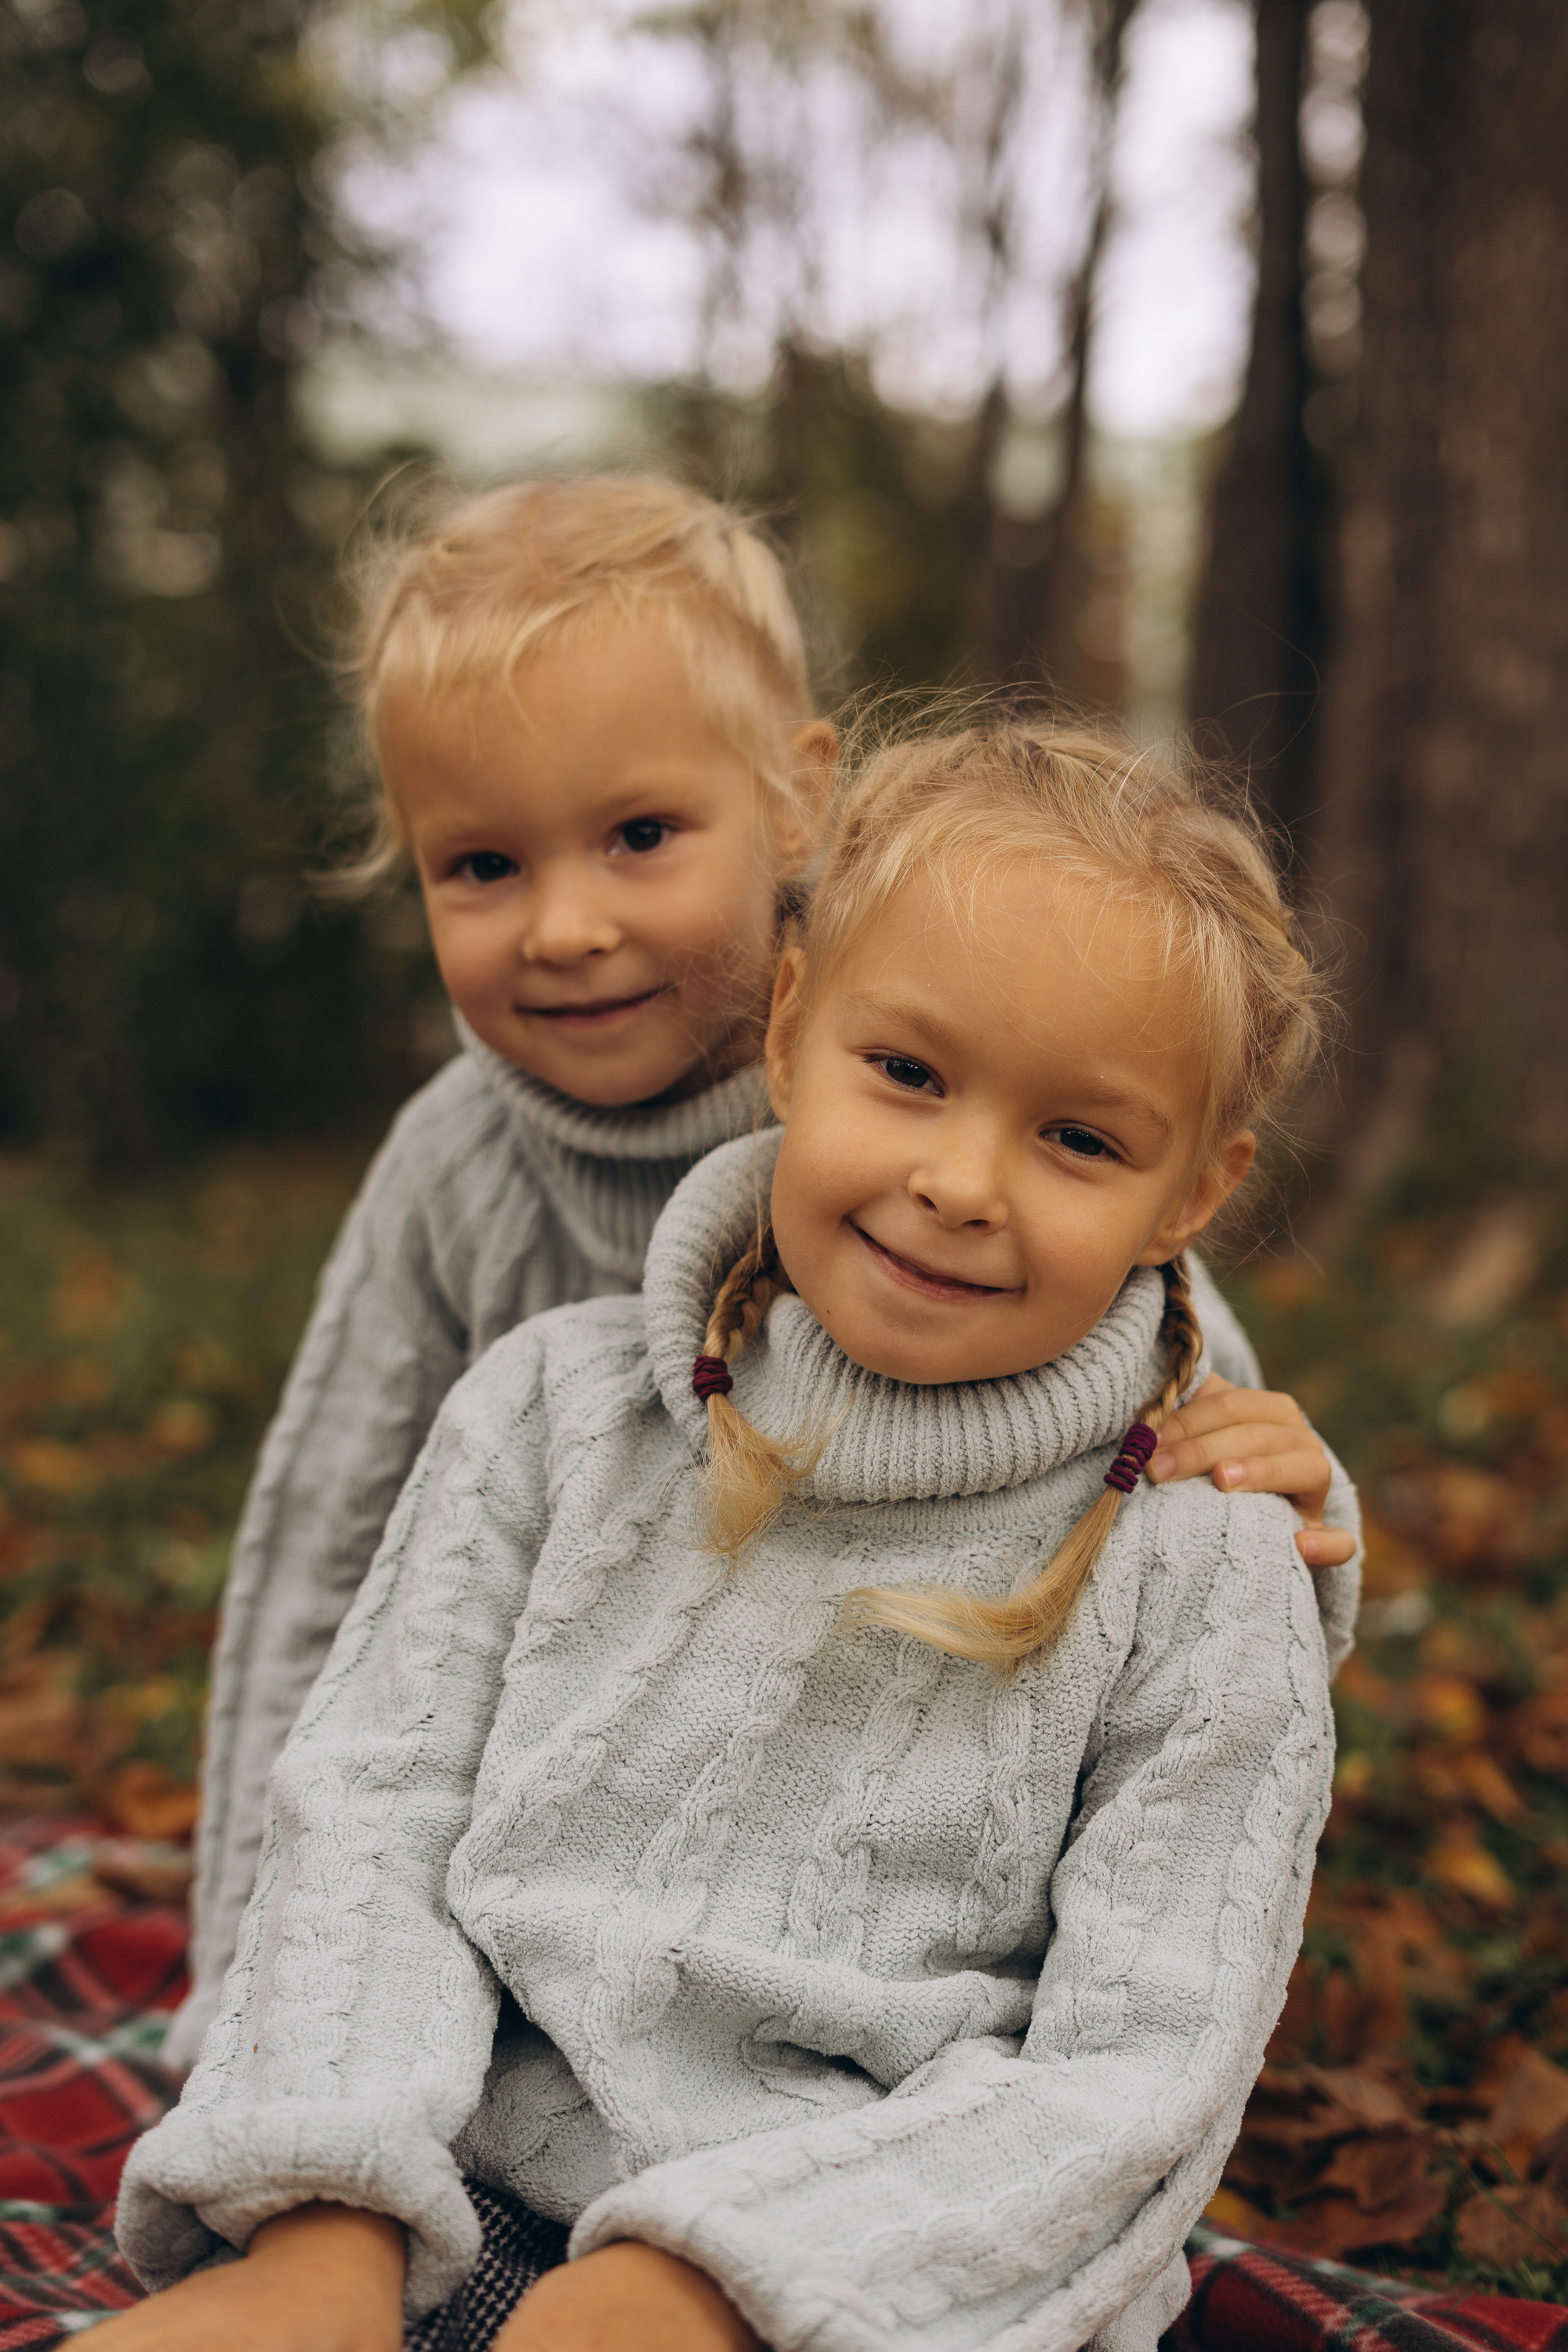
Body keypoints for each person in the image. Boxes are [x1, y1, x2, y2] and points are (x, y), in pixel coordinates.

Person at [113, 720, 1351, 2352]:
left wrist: (707, 2286)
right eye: (905, 1073)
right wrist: (321, 2221)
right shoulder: (552, 1417)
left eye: (1080, 1139)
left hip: (869, 2271)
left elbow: (1139, 2070)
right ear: (787, 1033)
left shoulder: (1200, 1570)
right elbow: (369, 1816)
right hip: (444, 2199)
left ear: (1190, 1192)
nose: (962, 1181)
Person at [166, 477, 1358, 2073]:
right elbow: (332, 1568)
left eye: (640, 836)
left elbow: (1144, 1379)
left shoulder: (934, 1074)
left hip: (880, 1832)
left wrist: (1288, 1482)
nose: (566, 927)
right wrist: (248, 1994)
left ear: (795, 803)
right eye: (480, 868)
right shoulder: (457, 1173)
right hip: (549, 1824)